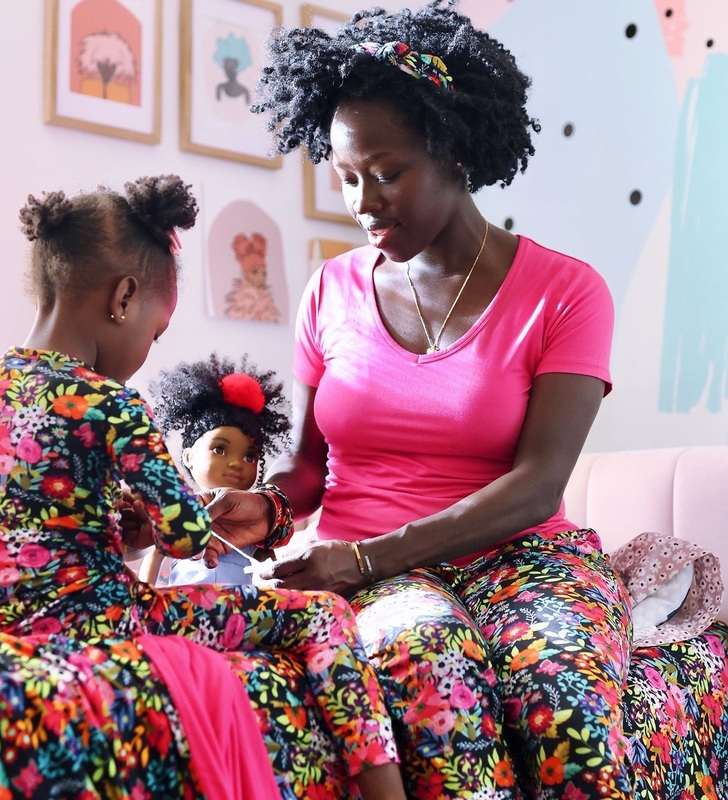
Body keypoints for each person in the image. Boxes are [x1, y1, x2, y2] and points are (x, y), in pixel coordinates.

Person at [205, 3, 636, 798]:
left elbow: (540, 483)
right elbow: (309, 469)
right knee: (434, 681)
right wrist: (261, 510)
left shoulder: (567, 293)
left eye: (387, 171)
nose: (363, 201)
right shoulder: (330, 290)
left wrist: (367, 556)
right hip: (375, 575)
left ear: (453, 152)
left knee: (564, 705)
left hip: (518, 562)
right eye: (345, 177)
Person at [0, 175, 407, 800]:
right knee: (323, 617)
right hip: (101, 626)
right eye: (154, 335)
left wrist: (96, 511)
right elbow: (185, 534)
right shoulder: (109, 401)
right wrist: (160, 520)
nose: (148, 353)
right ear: (124, 298)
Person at [138, 352, 290, 585]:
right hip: (186, 611)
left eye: (249, 456)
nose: (236, 463)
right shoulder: (180, 512)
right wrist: (143, 597)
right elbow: (156, 555)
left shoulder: (249, 521)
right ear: (188, 457)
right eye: (219, 450)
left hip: (241, 613)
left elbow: (270, 571)